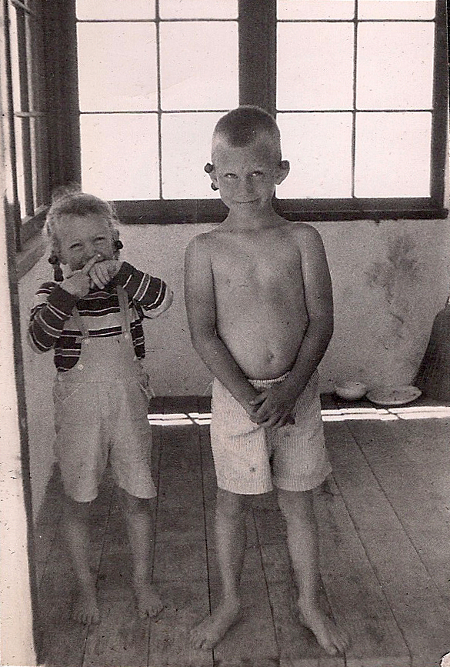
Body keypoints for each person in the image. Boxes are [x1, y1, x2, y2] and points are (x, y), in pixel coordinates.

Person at [184, 106, 349, 655]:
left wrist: (289, 389)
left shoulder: (303, 239)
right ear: (211, 176)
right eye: (229, 175)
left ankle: (309, 601)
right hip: (238, 399)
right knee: (232, 501)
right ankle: (229, 600)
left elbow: (322, 320)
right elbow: (205, 333)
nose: (244, 187)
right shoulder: (203, 251)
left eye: (257, 173)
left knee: (297, 499)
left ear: (281, 170)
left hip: (294, 391)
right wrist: (249, 396)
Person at [28, 190, 173, 624]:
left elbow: (163, 302)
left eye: (100, 242)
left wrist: (124, 274)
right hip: (79, 409)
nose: (90, 254)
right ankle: (85, 589)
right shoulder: (51, 291)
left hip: (128, 405)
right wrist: (69, 292)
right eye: (76, 247)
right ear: (57, 254)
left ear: (116, 241)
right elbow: (38, 340)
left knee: (138, 496)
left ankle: (142, 582)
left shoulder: (126, 287)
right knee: (79, 501)